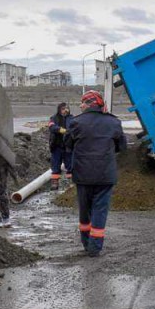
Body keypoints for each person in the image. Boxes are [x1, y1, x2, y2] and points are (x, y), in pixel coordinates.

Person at [65, 90, 126, 257]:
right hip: (105, 175)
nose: (80, 105)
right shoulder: (113, 122)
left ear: (90, 103)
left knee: (84, 210)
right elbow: (122, 147)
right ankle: (95, 247)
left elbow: (68, 145)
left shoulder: (76, 123)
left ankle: (86, 243)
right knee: (100, 210)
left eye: (83, 102)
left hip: (83, 175)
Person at [48, 102, 74, 190]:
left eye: (67, 108)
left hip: (68, 146)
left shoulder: (72, 118)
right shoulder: (54, 118)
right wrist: (60, 129)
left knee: (70, 165)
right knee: (55, 166)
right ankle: (55, 183)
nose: (65, 110)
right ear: (59, 110)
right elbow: (51, 126)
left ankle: (71, 183)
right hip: (56, 146)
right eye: (63, 109)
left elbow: (75, 128)